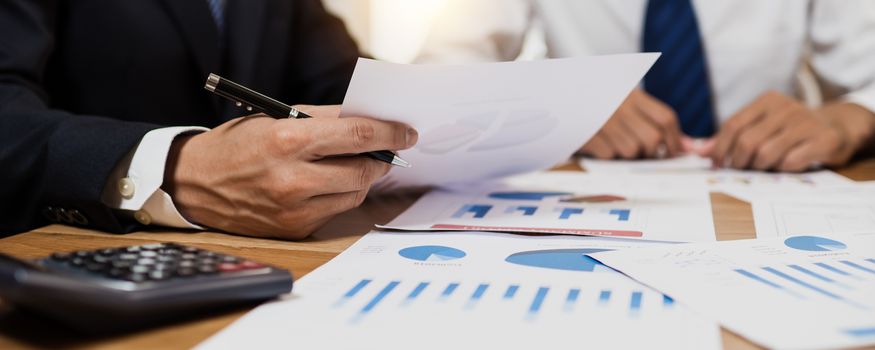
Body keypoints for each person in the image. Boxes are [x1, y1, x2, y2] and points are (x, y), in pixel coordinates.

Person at [0, 0, 418, 239]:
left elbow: (337, 79)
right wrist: (173, 168)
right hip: (68, 252)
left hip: (249, 257)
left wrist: (438, 106)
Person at [417, 0, 875, 171]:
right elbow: (438, 77)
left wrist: (849, 118)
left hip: (769, 185)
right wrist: (561, 103)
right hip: (585, 190)